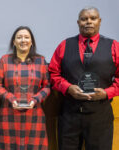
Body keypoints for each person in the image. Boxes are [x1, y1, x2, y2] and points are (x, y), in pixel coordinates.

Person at [49, 7, 119, 150]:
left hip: (100, 115)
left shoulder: (114, 46)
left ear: (99, 21)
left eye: (93, 18)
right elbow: (53, 74)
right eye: (84, 19)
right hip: (70, 115)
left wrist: (107, 92)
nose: (88, 22)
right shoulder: (64, 45)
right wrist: (67, 88)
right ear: (78, 22)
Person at [0, 26, 50, 150]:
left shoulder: (41, 61)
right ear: (14, 42)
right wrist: (11, 98)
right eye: (19, 37)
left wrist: (34, 100)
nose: (23, 40)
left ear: (31, 42)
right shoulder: (5, 60)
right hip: (9, 114)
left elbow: (47, 86)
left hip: (34, 115)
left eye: (26, 37)